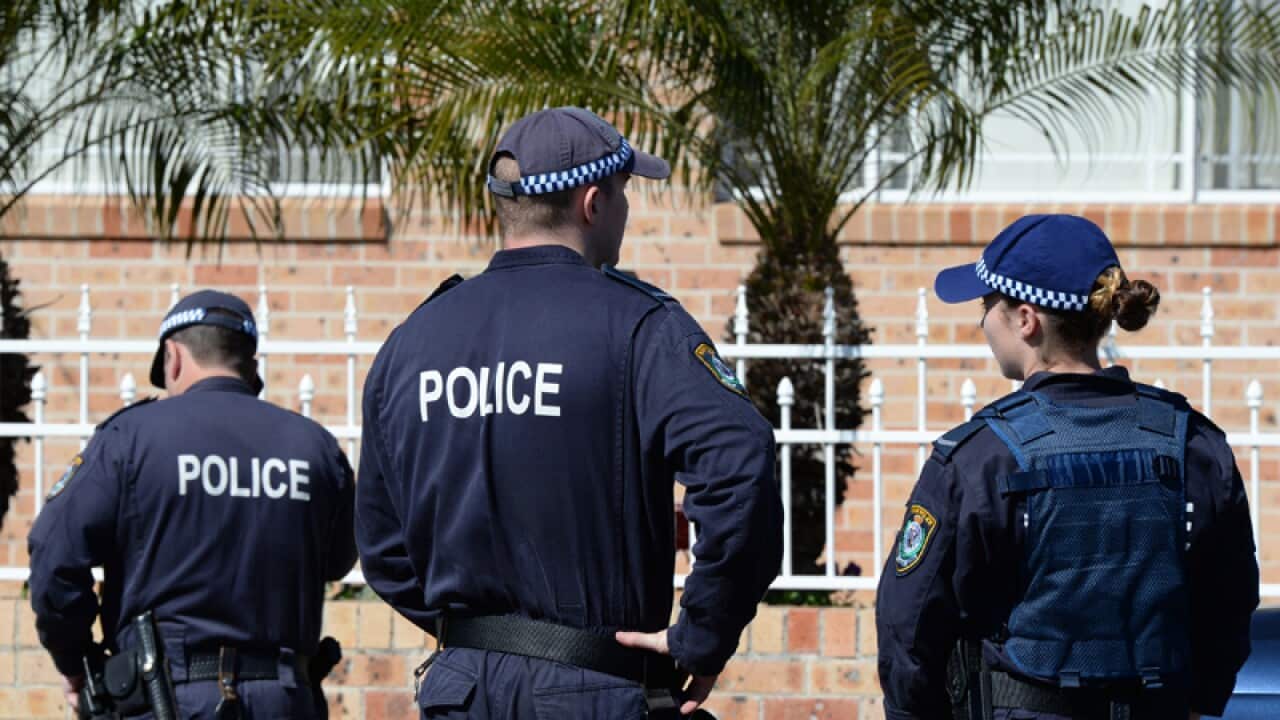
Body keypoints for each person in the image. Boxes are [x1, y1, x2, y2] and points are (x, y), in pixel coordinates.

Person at [356, 106, 783, 719]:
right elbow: (742, 467)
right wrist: (703, 635)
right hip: (594, 687)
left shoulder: (411, 341)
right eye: (624, 194)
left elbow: (383, 546)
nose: (627, 211)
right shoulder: (639, 323)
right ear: (592, 203)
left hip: (460, 691)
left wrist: (485, 638)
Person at [876, 214, 1259, 720]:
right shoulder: (1194, 446)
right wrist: (1198, 702)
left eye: (988, 304)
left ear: (1026, 319)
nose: (982, 319)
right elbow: (1229, 602)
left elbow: (911, 622)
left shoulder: (979, 459)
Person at [28, 289, 357, 719]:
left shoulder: (130, 439)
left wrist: (77, 663)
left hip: (167, 699)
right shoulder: (314, 447)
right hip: (284, 698)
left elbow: (55, 559)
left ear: (174, 358)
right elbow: (338, 562)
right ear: (249, 363)